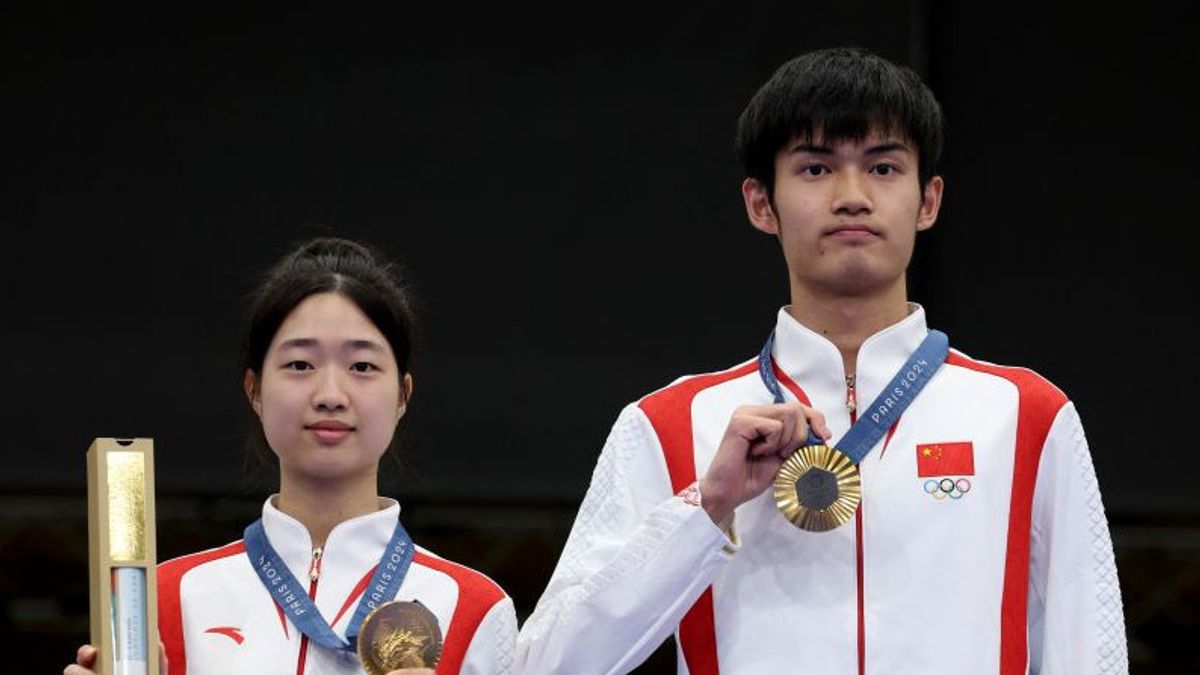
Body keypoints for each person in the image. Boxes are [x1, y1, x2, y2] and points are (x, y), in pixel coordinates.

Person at [515, 47, 1127, 674]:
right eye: (815, 169)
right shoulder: (669, 426)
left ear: (929, 201)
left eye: (884, 167)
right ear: (761, 203)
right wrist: (707, 505)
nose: (853, 196)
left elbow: (1090, 654)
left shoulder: (1027, 417)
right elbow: (547, 667)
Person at [66, 237, 517, 675]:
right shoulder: (163, 600)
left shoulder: (474, 608)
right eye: (300, 364)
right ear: (255, 390)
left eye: (362, 366)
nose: (330, 395)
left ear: (403, 394)